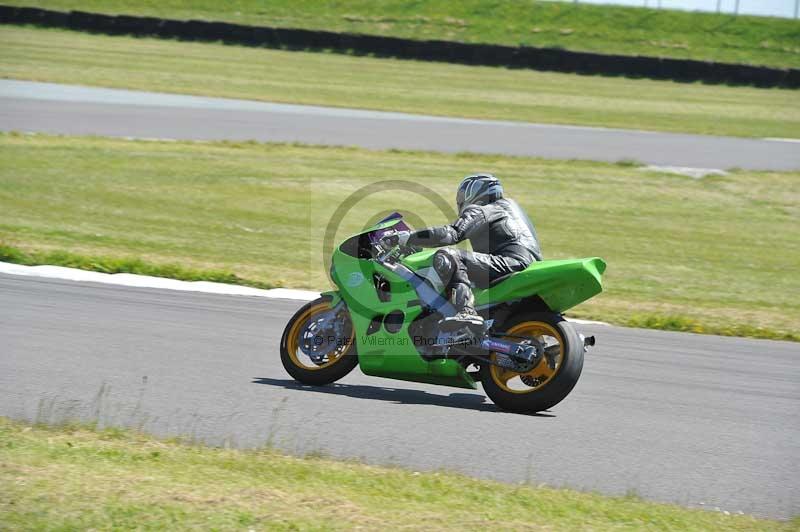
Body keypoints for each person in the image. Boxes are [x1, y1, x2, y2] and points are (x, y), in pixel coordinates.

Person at [387, 174, 542, 330]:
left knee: (448, 256)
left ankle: (466, 311)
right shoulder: (512, 208)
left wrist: (406, 237)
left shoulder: (482, 209)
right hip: (531, 264)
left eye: (461, 196)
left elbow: (452, 233)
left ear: (473, 193)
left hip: (509, 262)